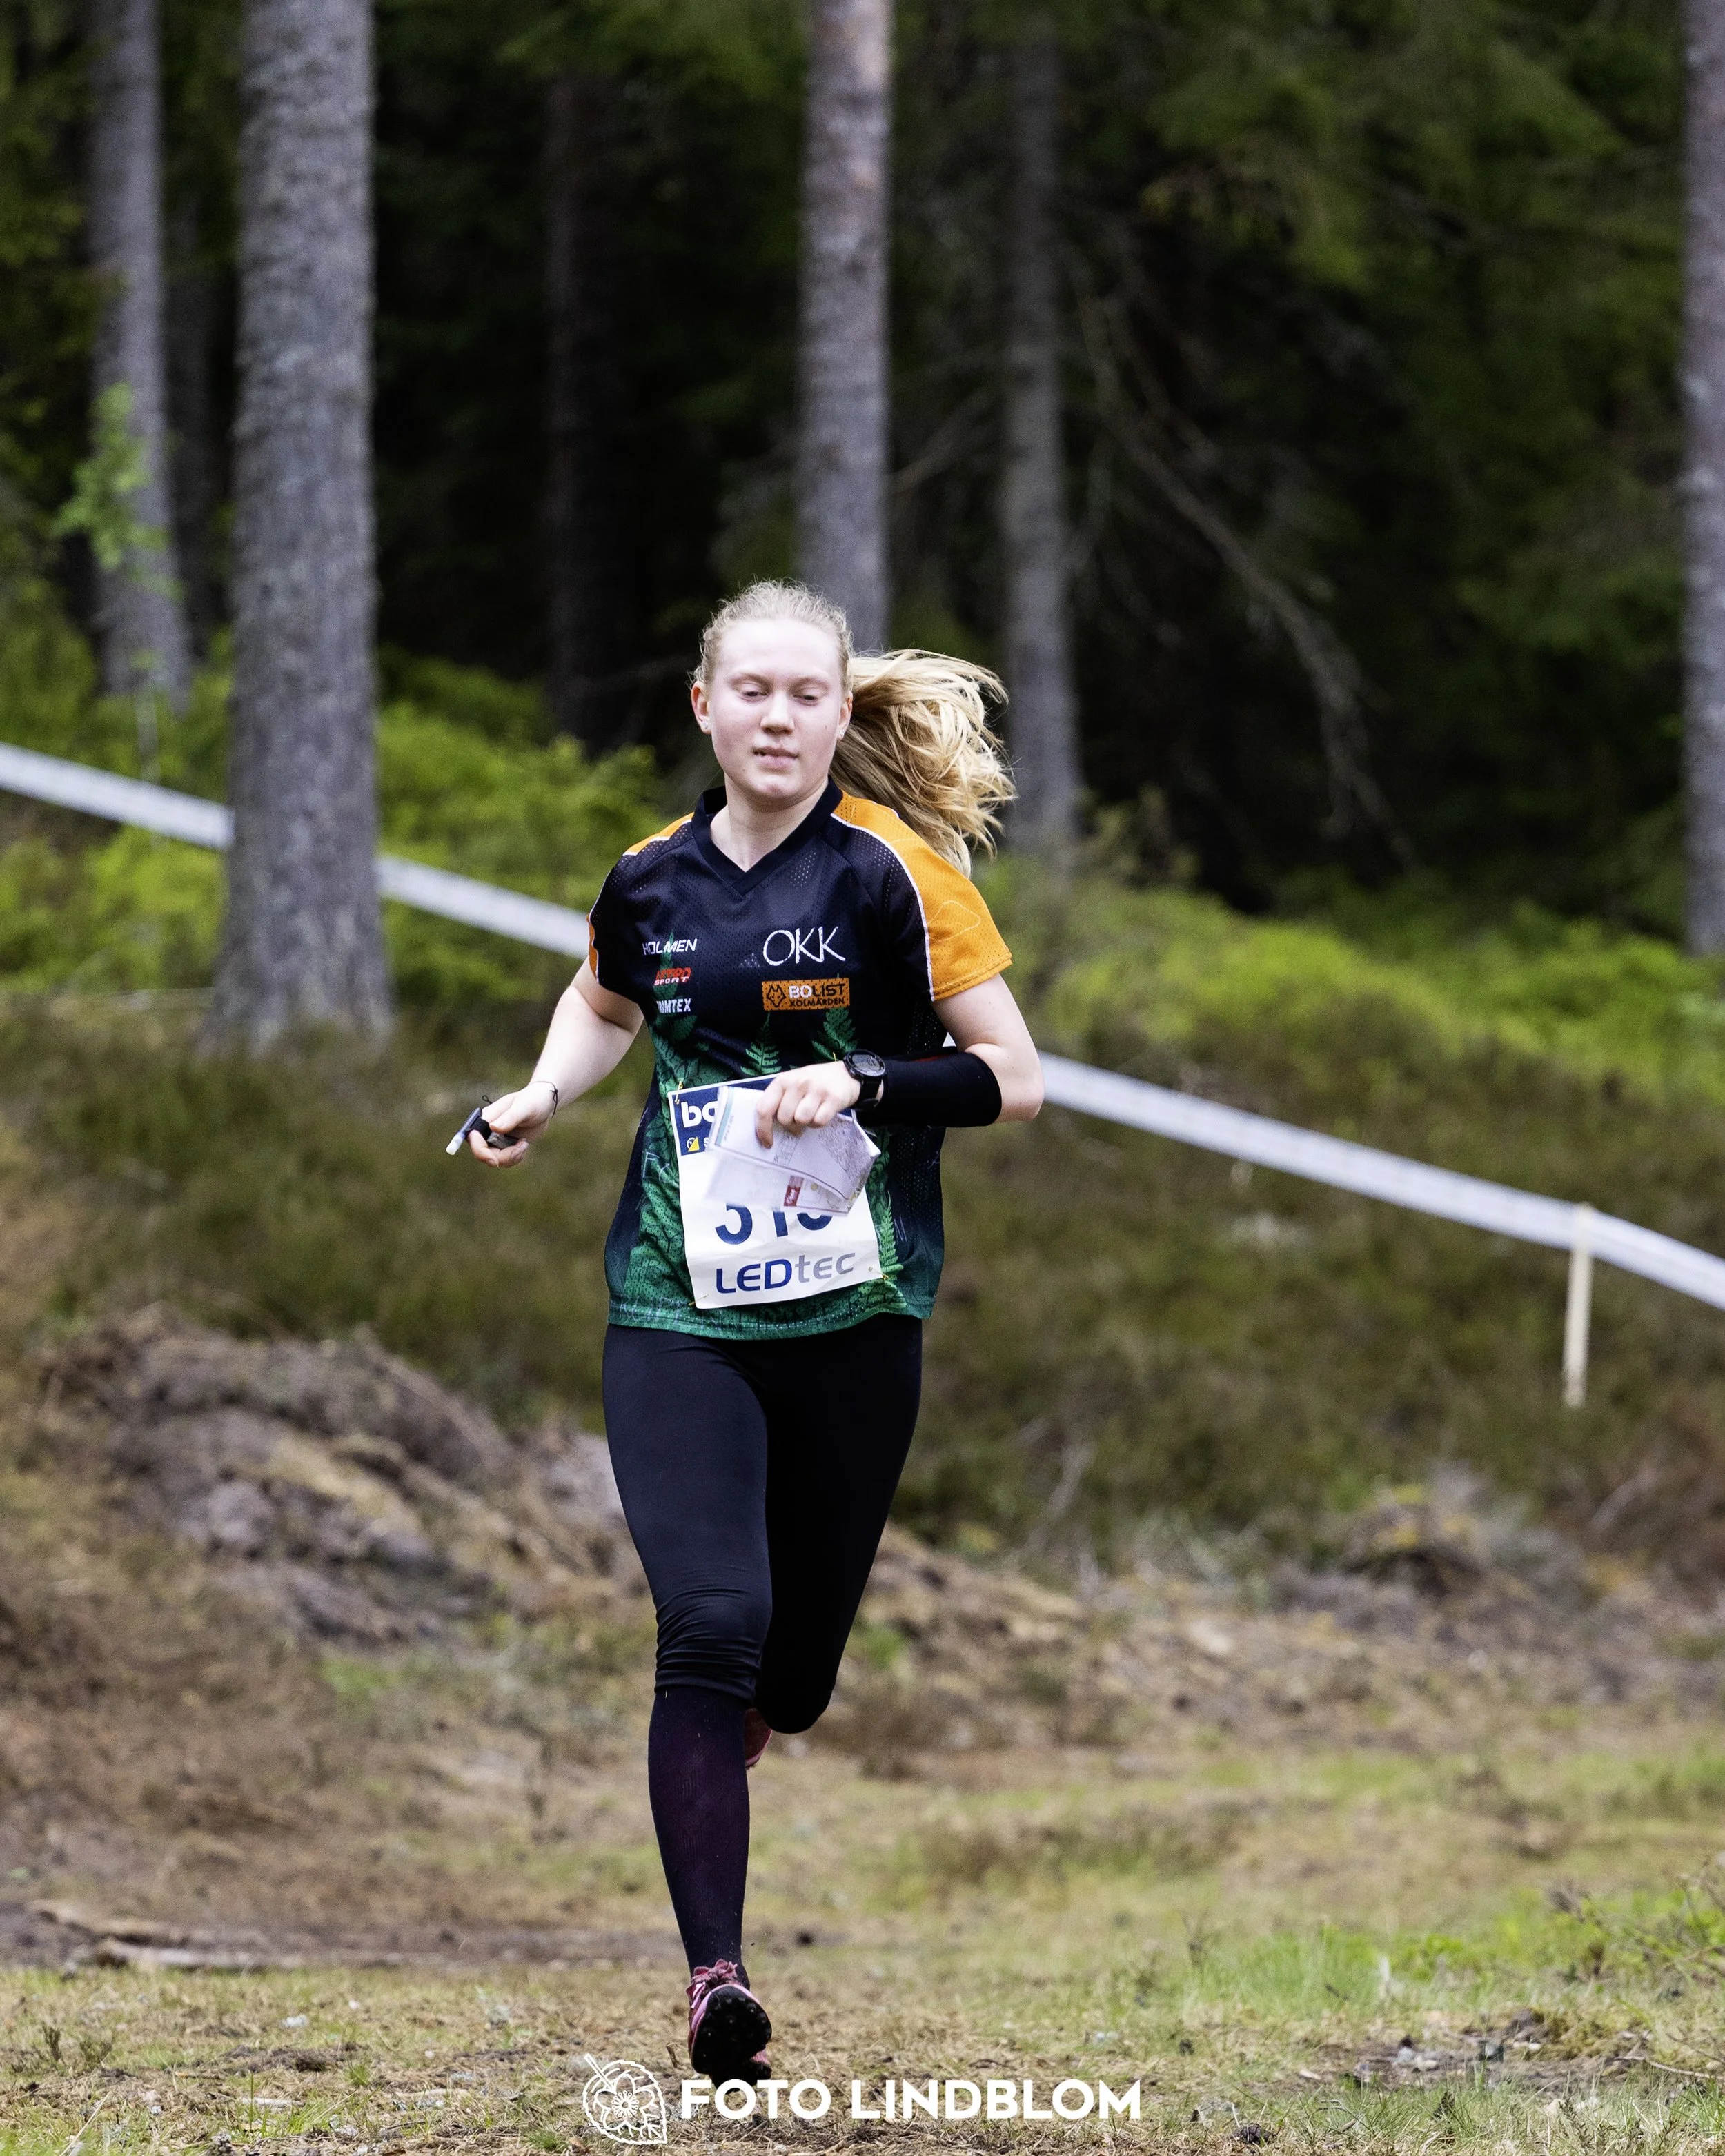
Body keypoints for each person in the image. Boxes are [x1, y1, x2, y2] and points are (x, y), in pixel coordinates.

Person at [471, 579, 1043, 2086]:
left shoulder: (895, 875)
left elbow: (1014, 1080)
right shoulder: (649, 877)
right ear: (705, 708)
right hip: (678, 1305)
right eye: (752, 691)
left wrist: (865, 1082)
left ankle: (765, 1713)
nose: (778, 717)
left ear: (840, 714)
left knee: (789, 1677)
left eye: (806, 694)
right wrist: (541, 1090)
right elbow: (604, 1003)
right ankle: (715, 1980)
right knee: (710, 1624)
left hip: (857, 1311)